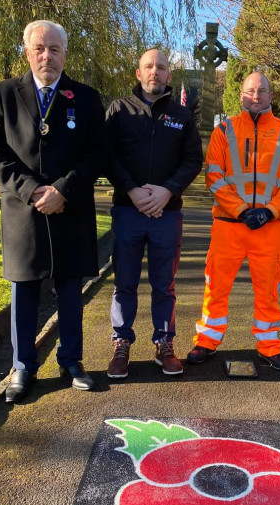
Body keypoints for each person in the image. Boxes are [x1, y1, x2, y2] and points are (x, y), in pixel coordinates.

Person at [0, 20, 107, 401]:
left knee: (70, 288)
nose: (46, 55)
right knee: (24, 290)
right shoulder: (3, 94)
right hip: (24, 209)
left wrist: (63, 190)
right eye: (39, 48)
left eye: (54, 49)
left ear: (65, 54)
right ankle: (23, 368)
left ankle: (72, 361)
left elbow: (97, 152)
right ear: (27, 51)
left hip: (70, 208)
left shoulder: (85, 97)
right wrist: (34, 190)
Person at [187, 72, 280, 370]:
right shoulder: (223, 131)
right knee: (216, 285)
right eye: (250, 90)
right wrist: (241, 210)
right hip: (229, 224)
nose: (256, 96)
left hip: (270, 226)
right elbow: (214, 176)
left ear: (270, 97)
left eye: (262, 91)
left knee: (269, 288)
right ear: (240, 95)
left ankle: (269, 346)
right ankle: (207, 341)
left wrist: (269, 211)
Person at [103, 48, 203, 378]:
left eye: (161, 67)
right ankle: (121, 343)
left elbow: (192, 160)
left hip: (167, 212)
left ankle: (164, 344)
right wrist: (132, 190)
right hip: (127, 210)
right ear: (138, 72)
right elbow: (107, 155)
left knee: (165, 285)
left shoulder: (182, 115)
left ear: (169, 76)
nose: (155, 72)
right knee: (125, 284)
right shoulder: (119, 109)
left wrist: (167, 190)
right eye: (149, 66)